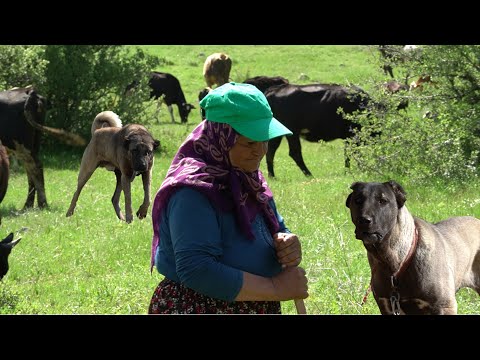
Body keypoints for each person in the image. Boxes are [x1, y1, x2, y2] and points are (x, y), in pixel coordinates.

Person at [148, 82, 309, 314]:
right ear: (220, 138)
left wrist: (287, 243)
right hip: (201, 306)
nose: (261, 150)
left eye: (264, 139)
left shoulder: (246, 177)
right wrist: (275, 287)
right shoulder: (192, 191)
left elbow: (274, 228)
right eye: (249, 142)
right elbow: (197, 269)